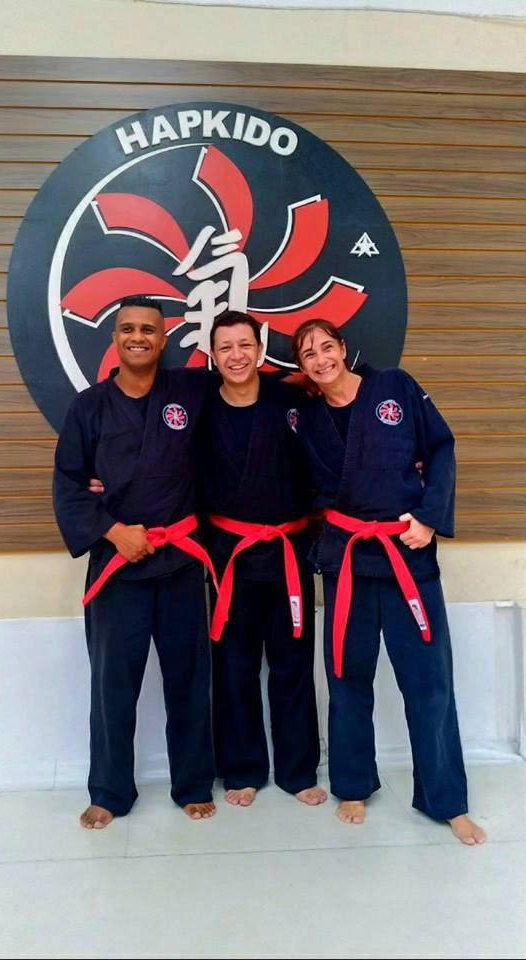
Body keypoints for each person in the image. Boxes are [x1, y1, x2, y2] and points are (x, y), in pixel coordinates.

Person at [291, 318, 486, 845]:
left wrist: (428, 516)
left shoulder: (394, 387)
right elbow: (285, 481)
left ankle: (446, 800)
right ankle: (353, 783)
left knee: (429, 681)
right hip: (348, 560)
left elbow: (441, 447)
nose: (320, 359)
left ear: (343, 349)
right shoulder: (304, 420)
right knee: (346, 675)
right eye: (308, 353)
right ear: (303, 367)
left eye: (326, 347)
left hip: (406, 553)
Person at [53, 295, 217, 828]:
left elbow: (247, 397)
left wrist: (310, 386)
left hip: (181, 565)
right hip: (117, 566)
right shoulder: (89, 406)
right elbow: (70, 484)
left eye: (149, 329)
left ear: (164, 339)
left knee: (189, 679)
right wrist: (113, 530)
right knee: (113, 683)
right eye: (128, 329)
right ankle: (108, 791)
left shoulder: (191, 392)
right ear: (115, 338)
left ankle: (192, 783)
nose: (138, 337)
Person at [199, 309, 327, 808]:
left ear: (260, 347)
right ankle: (243, 768)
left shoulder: (292, 398)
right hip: (230, 555)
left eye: (245, 345)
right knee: (235, 666)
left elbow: (337, 436)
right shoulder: (199, 404)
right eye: (226, 347)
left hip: (290, 552)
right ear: (212, 355)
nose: (236, 355)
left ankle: (298, 770)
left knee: (293, 663)